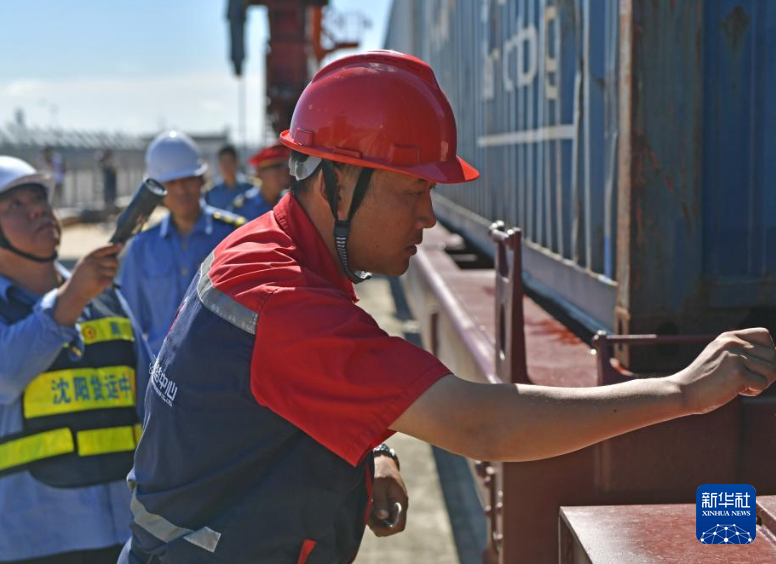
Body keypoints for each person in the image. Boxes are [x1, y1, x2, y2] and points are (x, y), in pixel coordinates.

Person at [119, 51, 776, 564]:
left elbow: (292, 390)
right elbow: (481, 426)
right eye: (412, 192)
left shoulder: (274, 251)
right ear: (339, 182)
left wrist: (374, 450)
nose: (430, 216)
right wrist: (682, 392)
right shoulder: (283, 297)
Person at [0, 156, 153, 563]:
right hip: (33, 543)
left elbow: (153, 404)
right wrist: (71, 298)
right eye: (15, 205)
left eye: (39, 198)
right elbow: (4, 372)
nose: (38, 210)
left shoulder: (108, 300)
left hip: (127, 536)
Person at [118, 131, 246, 355]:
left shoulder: (234, 236)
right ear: (158, 189)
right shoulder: (142, 247)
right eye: (171, 182)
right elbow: (130, 322)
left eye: (188, 179)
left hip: (220, 367)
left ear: (201, 179)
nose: (181, 190)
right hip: (158, 370)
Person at [230, 143, 293, 220]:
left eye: (287, 167)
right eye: (277, 166)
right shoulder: (243, 206)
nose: (285, 171)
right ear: (259, 172)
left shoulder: (291, 203)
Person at [204, 144, 252, 210]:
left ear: (236, 163)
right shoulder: (211, 192)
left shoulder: (250, 188)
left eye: (229, 162)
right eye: (223, 162)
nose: (227, 166)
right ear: (219, 164)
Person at [98, 148, 118, 216]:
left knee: (111, 203)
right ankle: (107, 216)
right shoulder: (106, 168)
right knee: (107, 204)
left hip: (111, 189)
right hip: (107, 189)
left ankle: (111, 215)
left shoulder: (111, 169)